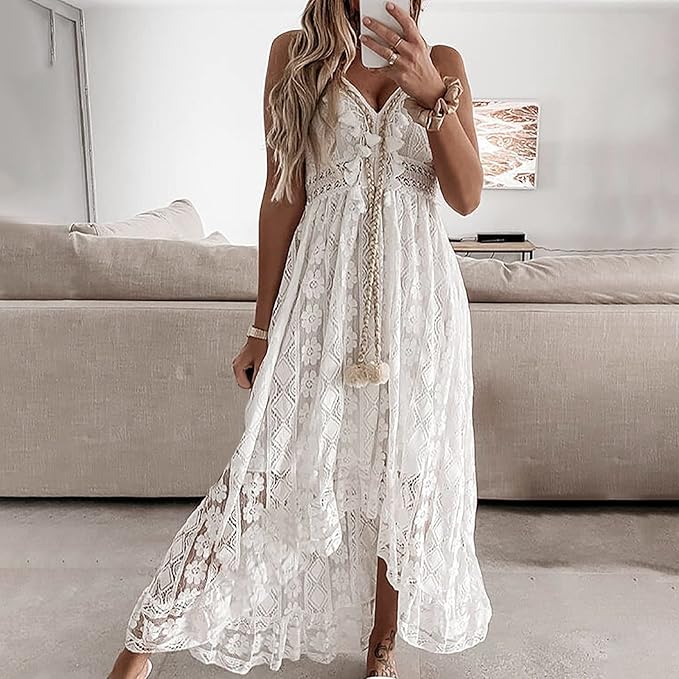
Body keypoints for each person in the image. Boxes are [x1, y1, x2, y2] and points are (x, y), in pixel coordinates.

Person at [107, 1, 491, 677]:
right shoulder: (294, 53)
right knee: (264, 466)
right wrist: (260, 326)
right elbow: (282, 193)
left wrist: (433, 94)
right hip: (321, 298)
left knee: (405, 472)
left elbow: (466, 197)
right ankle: (146, 642)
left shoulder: (444, 63)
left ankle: (382, 646)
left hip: (418, 304)